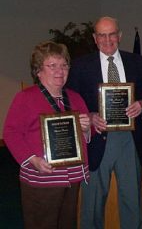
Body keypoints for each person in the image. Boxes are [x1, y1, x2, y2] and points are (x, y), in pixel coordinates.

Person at [66, 16, 142, 229]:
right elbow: (71, 102)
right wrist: (90, 116)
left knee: (132, 201)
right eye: (102, 35)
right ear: (95, 38)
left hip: (129, 140)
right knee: (92, 204)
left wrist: (141, 103)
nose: (107, 39)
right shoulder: (80, 66)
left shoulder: (137, 62)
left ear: (119, 36)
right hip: (96, 138)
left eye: (112, 34)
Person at [3, 41, 91, 229]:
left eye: (64, 65)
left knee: (67, 224)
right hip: (42, 177)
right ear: (38, 70)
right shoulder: (25, 97)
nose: (60, 71)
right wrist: (32, 159)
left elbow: (85, 137)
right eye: (52, 65)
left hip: (72, 178)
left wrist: (85, 129)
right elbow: (11, 133)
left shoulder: (75, 97)